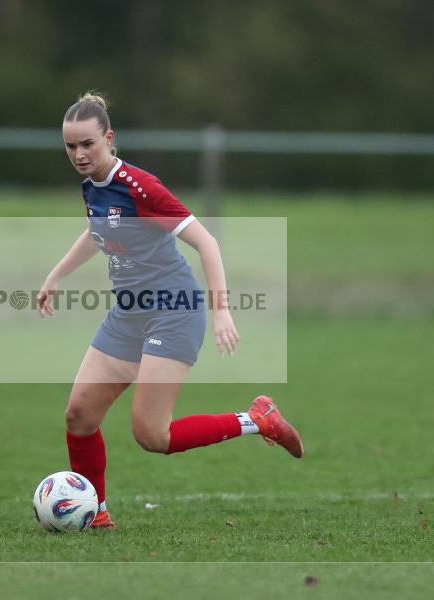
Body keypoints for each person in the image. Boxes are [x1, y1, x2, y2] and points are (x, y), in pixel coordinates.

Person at [37, 92, 303, 530]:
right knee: (79, 416)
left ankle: (256, 420)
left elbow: (207, 242)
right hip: (127, 315)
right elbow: (98, 232)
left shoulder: (142, 187)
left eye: (88, 144)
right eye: (71, 146)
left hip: (173, 312)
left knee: (152, 435)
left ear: (109, 138)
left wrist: (221, 311)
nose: (79, 155)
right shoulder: (91, 185)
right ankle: (97, 513)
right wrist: (55, 275)